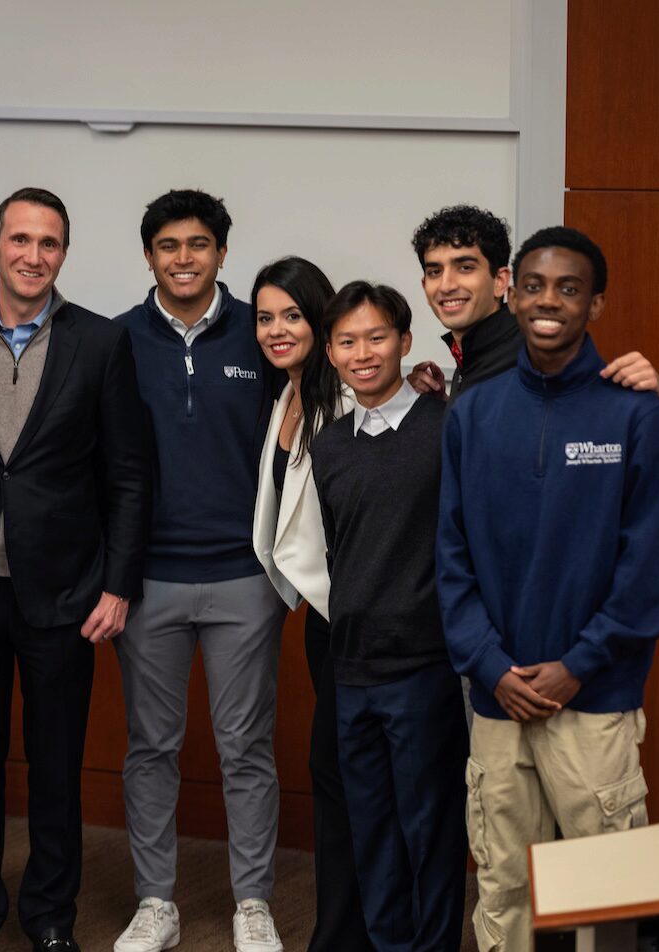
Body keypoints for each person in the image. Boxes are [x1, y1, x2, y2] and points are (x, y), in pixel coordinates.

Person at [439, 227, 659, 952]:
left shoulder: (636, 414)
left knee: (605, 897)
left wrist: (579, 663)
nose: (550, 302)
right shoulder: (473, 416)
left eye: (569, 289)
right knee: (504, 887)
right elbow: (449, 558)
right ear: (512, 294)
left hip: (597, 700)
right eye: (537, 286)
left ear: (596, 303)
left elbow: (654, 571)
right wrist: (488, 666)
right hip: (498, 698)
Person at [0, 187, 149, 952]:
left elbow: (127, 473)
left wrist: (118, 583)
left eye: (48, 243)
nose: (33, 256)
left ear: (64, 253)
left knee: (57, 772)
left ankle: (51, 917)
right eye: (19, 239)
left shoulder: (99, 342)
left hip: (64, 595)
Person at [112, 190, 286, 952]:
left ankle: (253, 901)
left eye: (200, 244)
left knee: (245, 748)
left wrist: (421, 379)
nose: (184, 257)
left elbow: (334, 399)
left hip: (245, 578)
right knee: (151, 746)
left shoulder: (265, 333)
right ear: (148, 254)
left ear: (223, 251)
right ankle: (157, 901)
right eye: (169, 245)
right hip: (147, 582)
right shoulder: (113, 340)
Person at [311, 282, 467, 952]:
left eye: (377, 337)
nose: (363, 353)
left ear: (405, 343)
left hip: (424, 670)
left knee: (429, 832)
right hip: (351, 672)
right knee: (370, 832)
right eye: (347, 341)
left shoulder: (446, 427)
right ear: (331, 352)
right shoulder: (330, 446)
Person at [246, 258, 371, 952]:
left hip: (360, 622)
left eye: (292, 315)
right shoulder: (286, 396)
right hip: (322, 624)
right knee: (333, 776)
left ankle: (349, 935)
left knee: (351, 780)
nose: (276, 329)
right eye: (265, 317)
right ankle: (338, 931)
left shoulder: (350, 401)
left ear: (321, 322)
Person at [407, 204, 659, 406]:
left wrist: (655, 397)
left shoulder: (534, 352)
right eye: (434, 271)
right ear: (424, 286)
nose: (446, 284)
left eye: (465, 267)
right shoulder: (474, 351)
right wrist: (445, 404)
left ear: (500, 281)